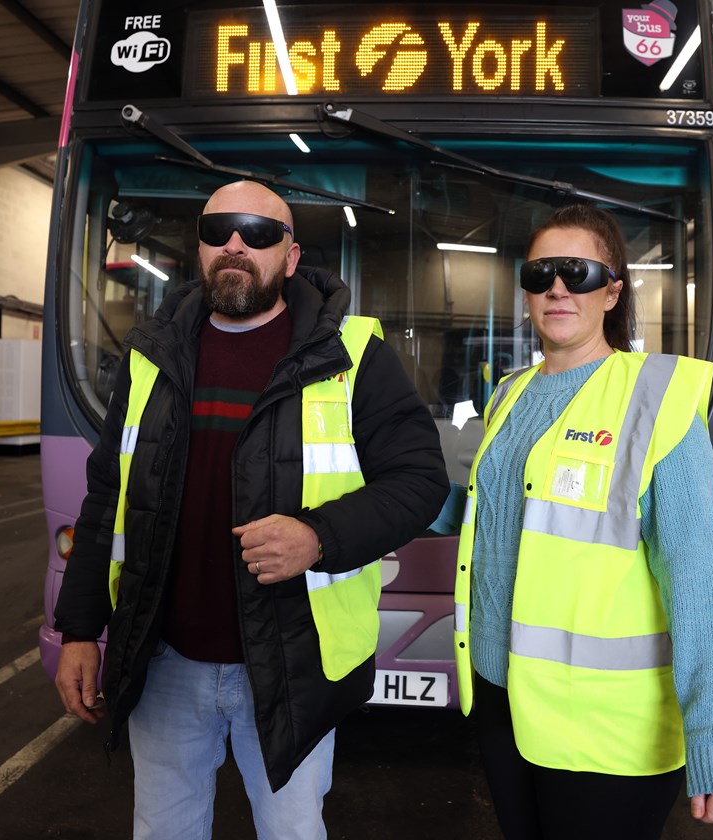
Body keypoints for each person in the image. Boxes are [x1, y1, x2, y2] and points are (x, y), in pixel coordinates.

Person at [53, 180, 449, 839]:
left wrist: (317, 537)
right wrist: (77, 632)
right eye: (219, 231)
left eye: (259, 233)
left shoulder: (351, 355)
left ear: (290, 257)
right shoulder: (150, 358)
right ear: (200, 251)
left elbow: (418, 480)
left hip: (289, 663)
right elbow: (106, 502)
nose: (236, 244)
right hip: (165, 660)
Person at [452, 204, 713, 839]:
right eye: (541, 273)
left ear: (613, 290)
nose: (558, 287)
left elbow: (698, 578)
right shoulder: (509, 393)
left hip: (606, 726)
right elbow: (500, 519)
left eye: (579, 271)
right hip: (503, 695)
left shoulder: (657, 402)